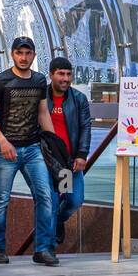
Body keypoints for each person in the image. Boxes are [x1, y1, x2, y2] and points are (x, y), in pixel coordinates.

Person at [0, 36, 59, 266]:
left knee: (45, 196)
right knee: (0, 201)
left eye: (28, 53)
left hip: (33, 149)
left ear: (34, 55)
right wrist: (3, 142)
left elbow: (43, 113)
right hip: (3, 151)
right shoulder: (1, 80)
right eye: (19, 53)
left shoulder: (39, 80)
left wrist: (54, 146)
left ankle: (42, 249)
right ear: (12, 55)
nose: (23, 57)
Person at [46, 57, 91, 247]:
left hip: (68, 164)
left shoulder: (78, 99)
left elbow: (85, 127)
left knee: (74, 201)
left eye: (68, 74)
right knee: (51, 201)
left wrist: (82, 154)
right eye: (61, 74)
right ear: (51, 75)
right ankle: (49, 248)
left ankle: (58, 221)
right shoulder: (41, 97)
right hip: (47, 161)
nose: (65, 78)